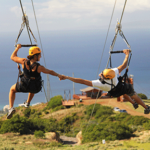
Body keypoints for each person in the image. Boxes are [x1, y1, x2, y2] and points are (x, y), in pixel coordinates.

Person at [59, 49, 150, 114]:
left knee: (122, 91)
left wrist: (67, 77)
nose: (101, 73)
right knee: (130, 91)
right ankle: (146, 107)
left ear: (104, 77)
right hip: (121, 88)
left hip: (115, 93)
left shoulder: (100, 84)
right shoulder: (114, 72)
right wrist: (127, 54)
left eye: (102, 73)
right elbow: (124, 65)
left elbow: (82, 81)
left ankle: (133, 103)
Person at [7, 44, 63, 119]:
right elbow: (49, 71)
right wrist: (58, 75)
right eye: (39, 55)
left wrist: (17, 48)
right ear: (35, 56)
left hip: (24, 86)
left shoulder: (23, 61)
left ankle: (11, 108)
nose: (40, 56)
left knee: (12, 89)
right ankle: (28, 102)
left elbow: (12, 57)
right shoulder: (39, 67)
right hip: (35, 88)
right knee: (33, 84)